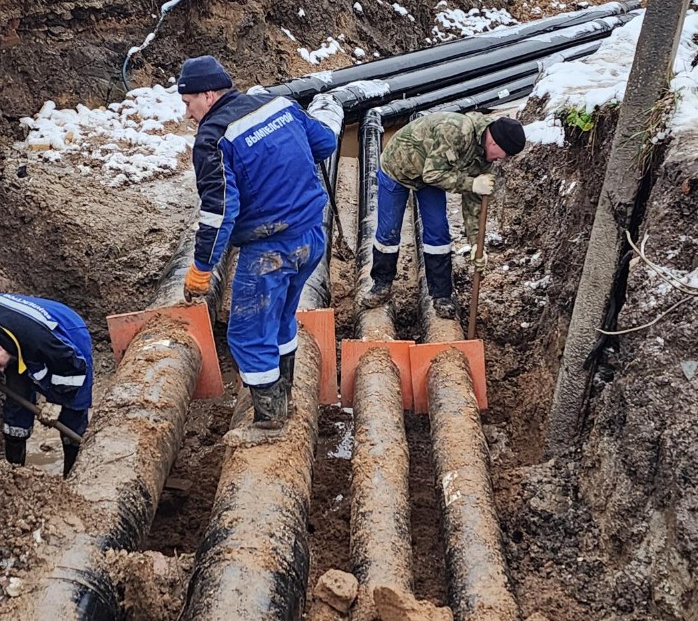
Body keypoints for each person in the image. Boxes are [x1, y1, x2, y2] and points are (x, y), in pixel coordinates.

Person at [178, 55, 337, 429]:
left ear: (208, 94)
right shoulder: (278, 104)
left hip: (271, 249)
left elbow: (219, 212)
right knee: (282, 317)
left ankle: (269, 421)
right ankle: (284, 397)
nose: (187, 114)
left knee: (249, 333)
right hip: (312, 236)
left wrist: (202, 267)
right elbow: (326, 142)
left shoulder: (213, 138)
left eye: (188, 103)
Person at [362, 111, 526, 317]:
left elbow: (473, 199)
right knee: (389, 231)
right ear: (494, 142)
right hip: (399, 167)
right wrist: (471, 183)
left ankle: (441, 295)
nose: (502, 159)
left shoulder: (485, 158)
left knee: (438, 230)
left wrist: (477, 241)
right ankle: (381, 284)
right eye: (504, 154)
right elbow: (433, 174)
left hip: (431, 176)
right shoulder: (456, 131)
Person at [0, 292, 93, 476]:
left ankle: (73, 473)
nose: (1, 370)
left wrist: (55, 402)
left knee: (73, 410)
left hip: (67, 333)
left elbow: (73, 370)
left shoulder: (45, 341)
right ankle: (14, 471)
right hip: (17, 335)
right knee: (16, 403)